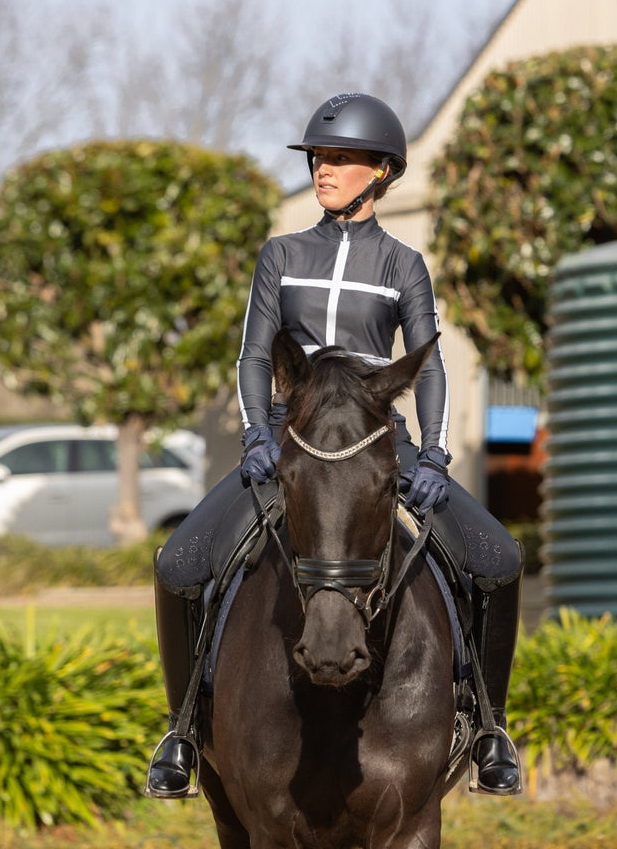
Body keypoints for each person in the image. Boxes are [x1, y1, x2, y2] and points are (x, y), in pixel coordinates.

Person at [147, 93, 523, 800]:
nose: (324, 168)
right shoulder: (281, 255)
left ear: (381, 173)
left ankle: (489, 728)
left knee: (499, 560)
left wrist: (436, 455)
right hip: (291, 442)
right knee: (178, 564)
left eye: (341, 159)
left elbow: (429, 361)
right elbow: (253, 356)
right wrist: (258, 433)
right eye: (319, 157)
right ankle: (182, 732)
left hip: (380, 439)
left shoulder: (404, 263)